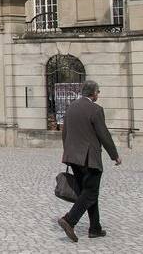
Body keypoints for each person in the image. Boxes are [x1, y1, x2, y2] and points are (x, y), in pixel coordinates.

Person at [57, 80, 120, 243]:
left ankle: (95, 228)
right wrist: (115, 155)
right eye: (98, 92)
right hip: (89, 159)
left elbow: (65, 133)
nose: (98, 94)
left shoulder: (71, 107)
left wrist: (68, 152)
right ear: (93, 93)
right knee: (91, 192)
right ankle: (69, 220)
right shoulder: (96, 110)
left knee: (88, 192)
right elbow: (104, 135)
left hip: (73, 158)